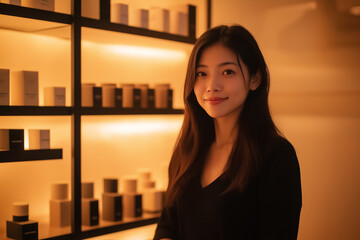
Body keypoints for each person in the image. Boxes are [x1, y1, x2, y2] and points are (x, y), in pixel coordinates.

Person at [153, 25, 302, 240]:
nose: (212, 86)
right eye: (202, 73)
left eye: (227, 72)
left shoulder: (276, 156)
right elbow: (168, 223)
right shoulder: (187, 150)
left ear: (255, 79)